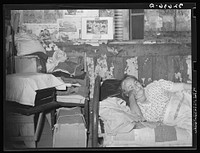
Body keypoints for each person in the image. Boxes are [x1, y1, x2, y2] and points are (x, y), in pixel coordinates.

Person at [120, 75, 192, 124]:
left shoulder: (154, 86)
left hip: (185, 101)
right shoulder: (137, 108)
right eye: (131, 87)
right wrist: (131, 96)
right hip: (180, 119)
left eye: (136, 82)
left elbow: (182, 86)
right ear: (128, 94)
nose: (136, 86)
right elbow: (138, 117)